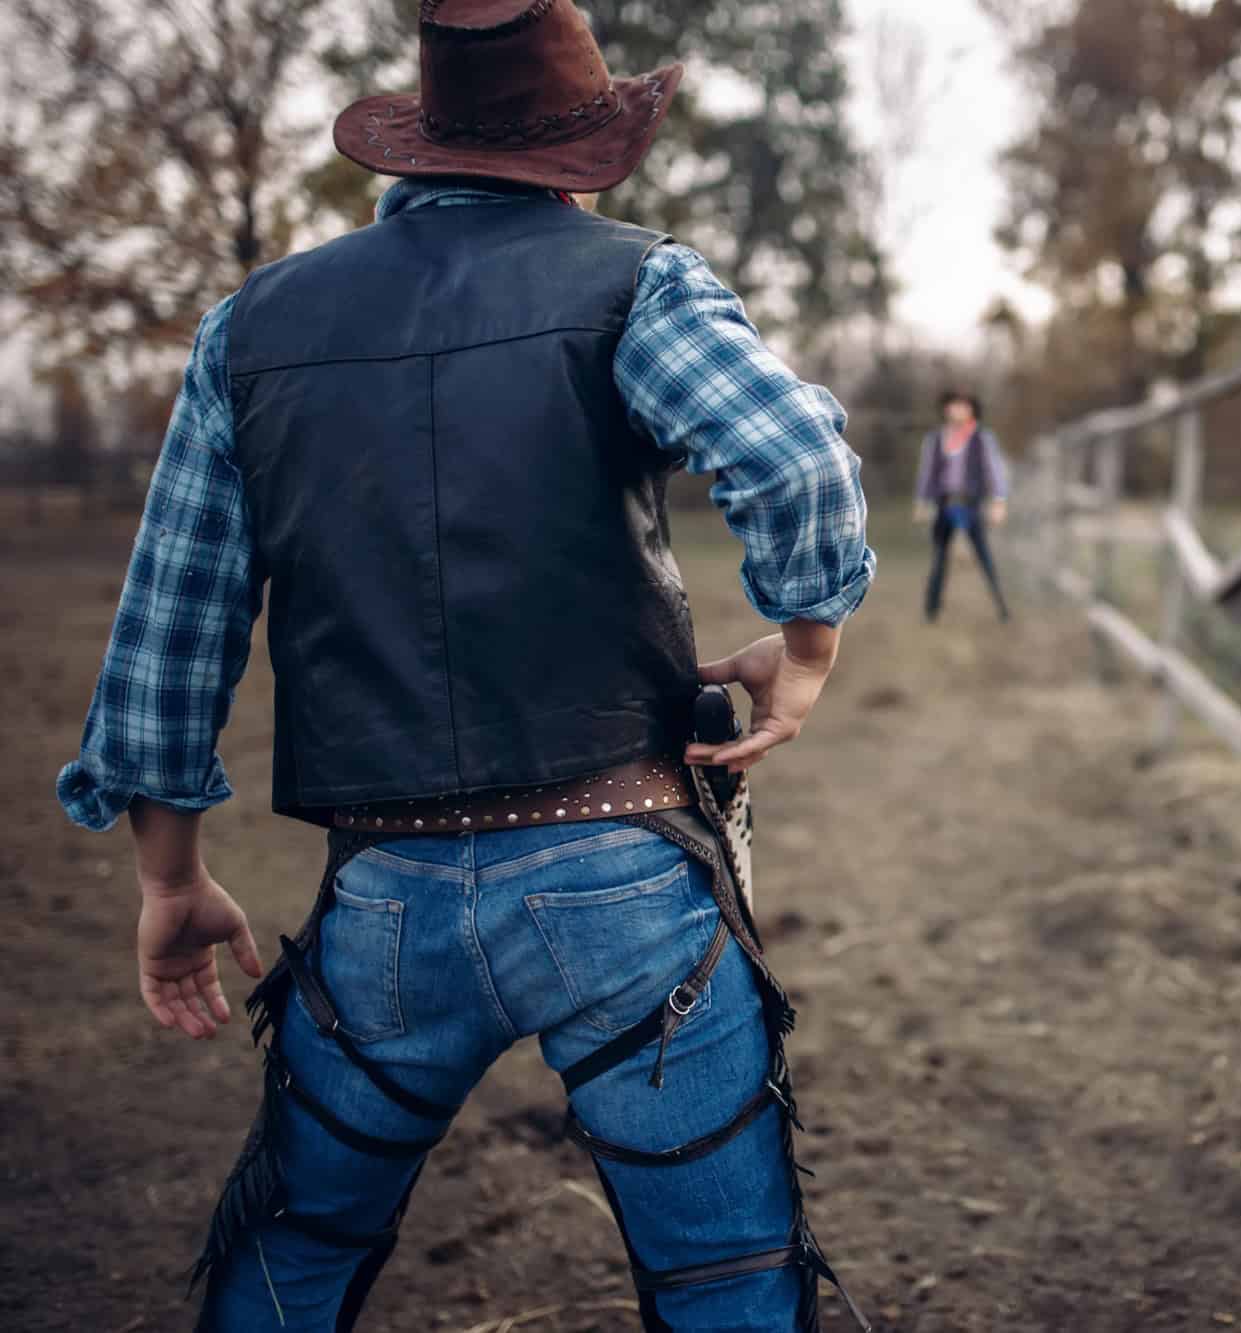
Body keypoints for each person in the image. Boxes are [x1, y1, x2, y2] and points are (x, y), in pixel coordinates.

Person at [53, 3, 875, 1329]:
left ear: (419, 144)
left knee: (296, 1254)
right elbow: (789, 458)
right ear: (584, 150)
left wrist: (170, 874)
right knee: (725, 1283)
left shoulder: (248, 331)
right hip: (628, 883)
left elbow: (171, 624)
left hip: (382, 897)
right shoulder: (636, 282)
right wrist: (807, 647)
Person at [914, 391, 1011, 622]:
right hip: (944, 505)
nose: (957, 410)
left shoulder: (981, 438)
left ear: (971, 409)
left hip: (971, 505)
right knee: (939, 558)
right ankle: (931, 610)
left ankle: (1002, 607)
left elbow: (993, 470)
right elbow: (927, 473)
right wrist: (922, 502)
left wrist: (998, 501)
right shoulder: (936, 439)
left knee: (984, 557)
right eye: (953, 405)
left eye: (963, 405)